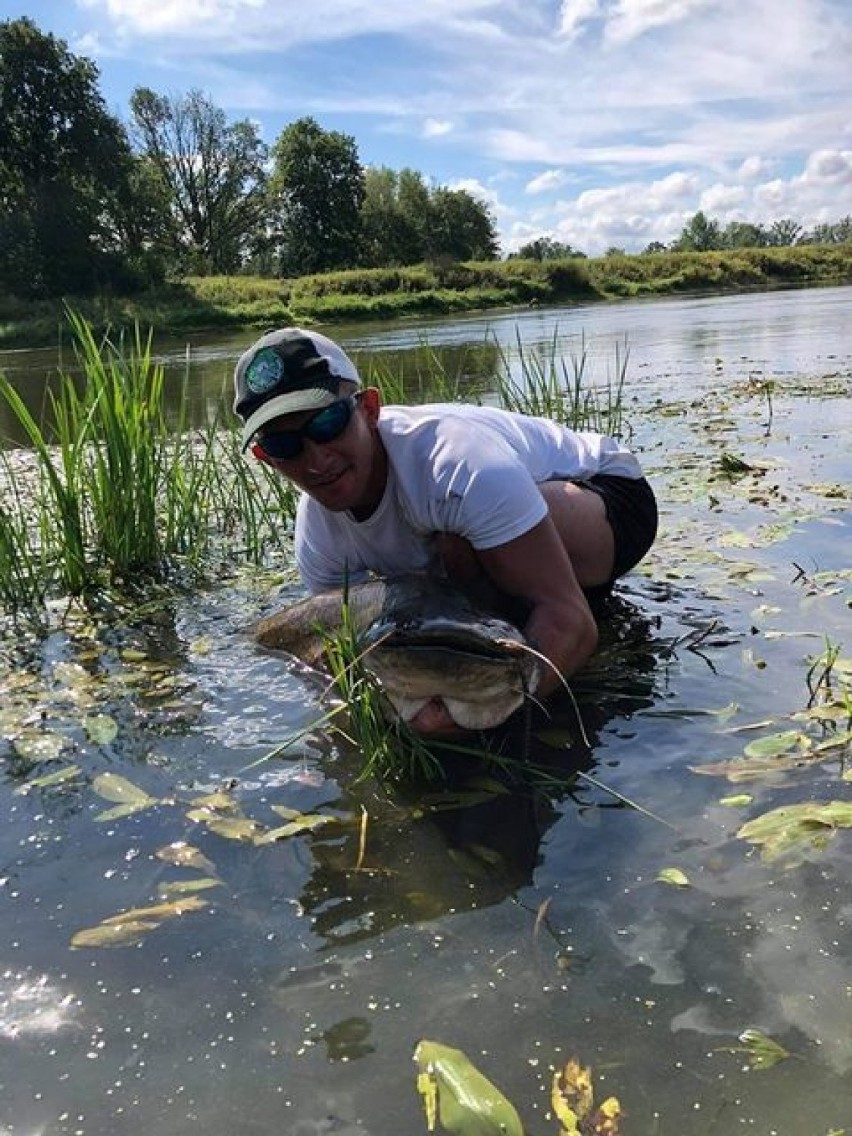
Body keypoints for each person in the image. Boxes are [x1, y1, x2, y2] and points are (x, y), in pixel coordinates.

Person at [233, 327, 657, 736]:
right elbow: (340, 653)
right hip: (494, 531)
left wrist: (480, 717)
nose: (315, 458)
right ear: (265, 457)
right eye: (284, 446)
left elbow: (572, 624)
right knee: (382, 603)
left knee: (458, 548)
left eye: (327, 423)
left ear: (368, 410)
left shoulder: (456, 465)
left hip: (606, 497)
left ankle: (523, 602)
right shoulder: (318, 535)